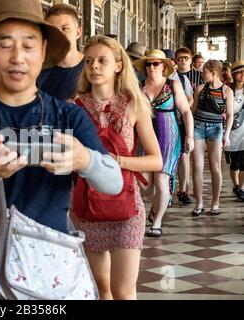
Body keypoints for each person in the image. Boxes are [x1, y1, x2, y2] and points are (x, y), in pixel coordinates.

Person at [0, 0, 123, 299]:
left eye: (28, 45)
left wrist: (84, 159)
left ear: (44, 50)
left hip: (48, 278)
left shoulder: (68, 117)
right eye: (5, 45)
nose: (17, 58)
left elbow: (113, 183)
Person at [71, 35, 162, 300]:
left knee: (123, 290)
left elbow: (156, 160)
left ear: (119, 65)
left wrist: (117, 161)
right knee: (102, 289)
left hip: (127, 205)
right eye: (89, 61)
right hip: (87, 206)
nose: (94, 67)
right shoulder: (74, 107)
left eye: (102, 60)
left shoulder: (134, 104)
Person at [135, 49, 194, 237]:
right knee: (144, 182)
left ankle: (157, 221)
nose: (152, 67)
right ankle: (156, 205)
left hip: (168, 135)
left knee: (161, 180)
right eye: (148, 64)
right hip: (145, 135)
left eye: (156, 63)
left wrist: (189, 136)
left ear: (163, 66)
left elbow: (186, 112)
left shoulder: (173, 85)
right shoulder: (138, 86)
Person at [191, 60, 234, 216]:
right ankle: (199, 203)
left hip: (216, 129)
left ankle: (215, 203)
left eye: (204, 72)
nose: (202, 74)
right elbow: (193, 110)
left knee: (215, 167)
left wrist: (226, 135)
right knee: (197, 167)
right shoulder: (200, 89)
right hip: (198, 128)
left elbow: (229, 115)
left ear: (213, 72)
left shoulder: (227, 91)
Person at [163, 49, 195, 205]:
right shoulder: (151, 79)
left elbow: (190, 99)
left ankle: (182, 191)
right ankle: (166, 192)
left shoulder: (181, 79)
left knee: (183, 157)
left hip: (179, 122)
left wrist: (179, 107)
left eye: (170, 61)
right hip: (162, 124)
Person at [37, 3, 84, 101]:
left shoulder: (92, 68)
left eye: (65, 28)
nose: (59, 35)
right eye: (53, 30)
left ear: (78, 33)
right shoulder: (38, 70)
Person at [224, 60, 244, 201]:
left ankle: (242, 188)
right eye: (240, 72)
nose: (243, 75)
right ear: (234, 74)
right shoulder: (227, 89)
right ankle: (236, 185)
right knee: (234, 164)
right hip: (230, 132)